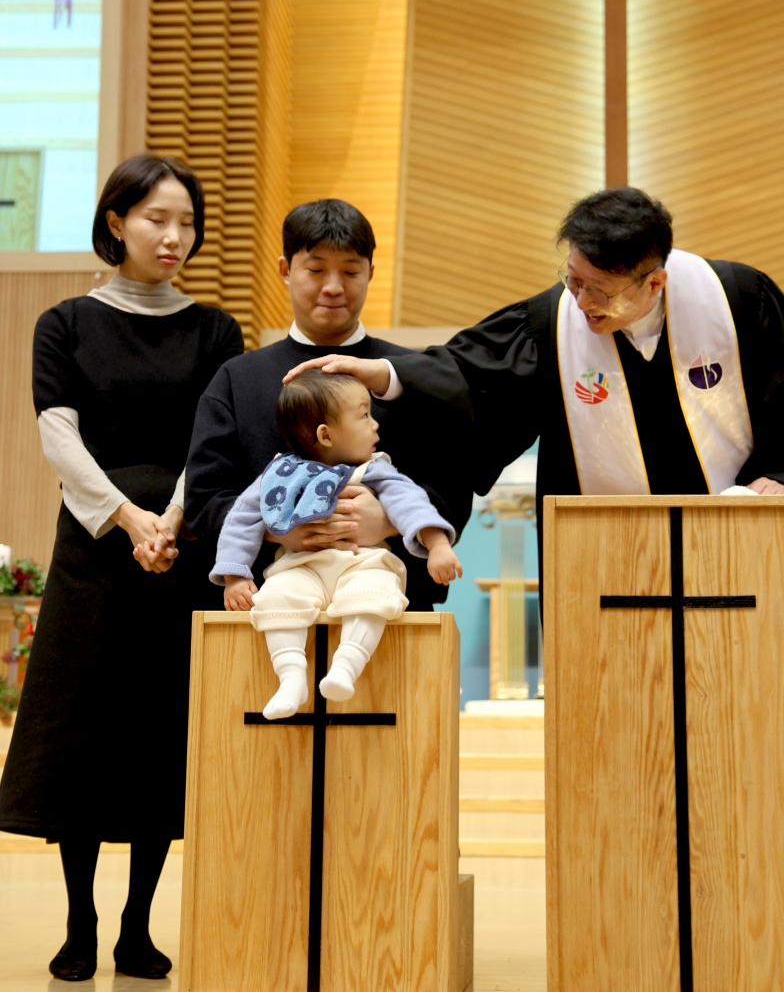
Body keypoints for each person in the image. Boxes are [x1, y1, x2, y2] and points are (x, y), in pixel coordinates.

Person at [284, 186, 784, 864]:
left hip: (734, 566)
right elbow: (471, 377)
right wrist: (382, 373)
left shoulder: (738, 301)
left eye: (597, 290)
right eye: (572, 279)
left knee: (746, 748)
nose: (579, 301)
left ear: (653, 283)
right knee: (625, 759)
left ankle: (762, 873)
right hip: (607, 578)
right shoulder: (555, 321)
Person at [0, 155, 244, 980]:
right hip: (95, 547)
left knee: (158, 739)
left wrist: (171, 518)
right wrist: (130, 517)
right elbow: (57, 434)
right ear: (116, 222)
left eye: (187, 222)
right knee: (83, 738)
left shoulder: (214, 330)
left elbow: (213, 439)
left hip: (180, 548)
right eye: (156, 219)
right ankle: (80, 921)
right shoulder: (66, 322)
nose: (174, 236)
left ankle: (137, 926)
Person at [184, 198, 471, 610]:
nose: (333, 286)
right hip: (264, 609)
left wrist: (387, 521)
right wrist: (278, 527)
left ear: (371, 273)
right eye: (316, 270)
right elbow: (202, 499)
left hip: (393, 610)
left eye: (350, 271)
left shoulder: (410, 374)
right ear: (285, 270)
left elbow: (454, 484)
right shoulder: (236, 379)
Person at [212, 371, 461, 718]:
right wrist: (235, 576)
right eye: (364, 415)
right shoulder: (280, 474)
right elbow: (241, 520)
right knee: (274, 597)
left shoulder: (375, 471)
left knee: (375, 594)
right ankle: (290, 677)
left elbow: (413, 505)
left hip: (363, 563)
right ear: (325, 435)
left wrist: (437, 546)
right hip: (301, 566)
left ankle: (347, 665)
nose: (375, 424)